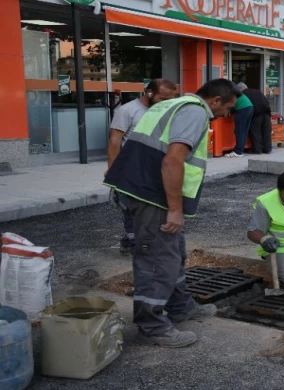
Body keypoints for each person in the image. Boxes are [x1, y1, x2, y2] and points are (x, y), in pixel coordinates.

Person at [104, 79, 240, 347]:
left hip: (145, 187)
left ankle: (180, 306)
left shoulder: (174, 104)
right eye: (228, 108)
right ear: (215, 101)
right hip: (153, 194)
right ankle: (152, 325)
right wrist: (175, 210)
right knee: (157, 259)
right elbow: (173, 159)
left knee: (173, 251)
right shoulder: (195, 111)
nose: (227, 114)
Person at [106, 79, 177, 256]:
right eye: (163, 97)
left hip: (154, 168)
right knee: (130, 208)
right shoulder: (127, 111)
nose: (167, 102)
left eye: (171, 98)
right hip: (130, 169)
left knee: (153, 208)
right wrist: (113, 170)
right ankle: (132, 243)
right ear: (149, 93)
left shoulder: (164, 110)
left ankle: (144, 241)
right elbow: (115, 141)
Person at [240, 83, 273, 154]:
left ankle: (257, 150)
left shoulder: (243, 94)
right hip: (266, 114)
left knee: (255, 133)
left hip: (256, 114)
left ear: (240, 89)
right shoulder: (257, 91)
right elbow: (267, 102)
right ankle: (267, 149)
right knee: (266, 132)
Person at [225, 82, 253, 158]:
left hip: (242, 108)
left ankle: (238, 152)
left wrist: (229, 112)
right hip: (249, 107)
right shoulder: (237, 92)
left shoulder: (230, 93)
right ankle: (240, 149)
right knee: (244, 130)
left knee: (239, 131)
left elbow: (230, 105)